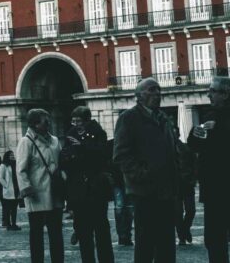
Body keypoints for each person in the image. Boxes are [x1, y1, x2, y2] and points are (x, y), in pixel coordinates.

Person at [113, 77, 179, 263]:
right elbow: (121, 155)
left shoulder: (163, 118)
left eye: (158, 90)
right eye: (151, 90)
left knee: (166, 243)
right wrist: (142, 174)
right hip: (144, 191)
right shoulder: (128, 118)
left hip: (167, 190)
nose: (157, 93)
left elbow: (172, 150)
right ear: (139, 96)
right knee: (145, 242)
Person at [61, 106, 114, 263]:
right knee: (83, 231)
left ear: (87, 120)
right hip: (78, 189)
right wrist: (70, 155)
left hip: (96, 188)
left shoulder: (98, 133)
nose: (76, 124)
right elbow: (65, 157)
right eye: (74, 120)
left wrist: (81, 148)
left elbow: (102, 155)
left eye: (79, 121)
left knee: (101, 229)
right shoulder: (70, 134)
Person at [188, 75, 230, 263]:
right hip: (213, 187)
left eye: (213, 91)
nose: (209, 94)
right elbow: (195, 145)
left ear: (226, 94)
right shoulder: (210, 114)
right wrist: (194, 134)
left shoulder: (219, 119)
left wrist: (219, 129)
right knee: (213, 239)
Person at [17, 107, 64, 263]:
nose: (49, 123)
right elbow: (21, 170)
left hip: (55, 193)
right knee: (36, 235)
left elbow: (62, 164)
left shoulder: (55, 141)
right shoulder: (26, 142)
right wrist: (27, 189)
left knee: (56, 233)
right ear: (35, 124)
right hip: (37, 195)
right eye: (45, 121)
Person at [174, 127, 196, 247]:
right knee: (177, 212)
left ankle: (185, 229)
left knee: (191, 210)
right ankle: (182, 235)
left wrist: (193, 178)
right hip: (174, 184)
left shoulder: (186, 147)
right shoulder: (164, 150)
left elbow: (194, 163)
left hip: (187, 183)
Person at [0, 150, 20, 230]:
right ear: (7, 156)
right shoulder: (3, 165)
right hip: (9, 189)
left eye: (13, 155)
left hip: (16, 188)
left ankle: (14, 224)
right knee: (8, 209)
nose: (12, 156)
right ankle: (8, 224)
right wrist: (6, 185)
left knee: (14, 208)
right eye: (11, 155)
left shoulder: (16, 164)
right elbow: (0, 177)